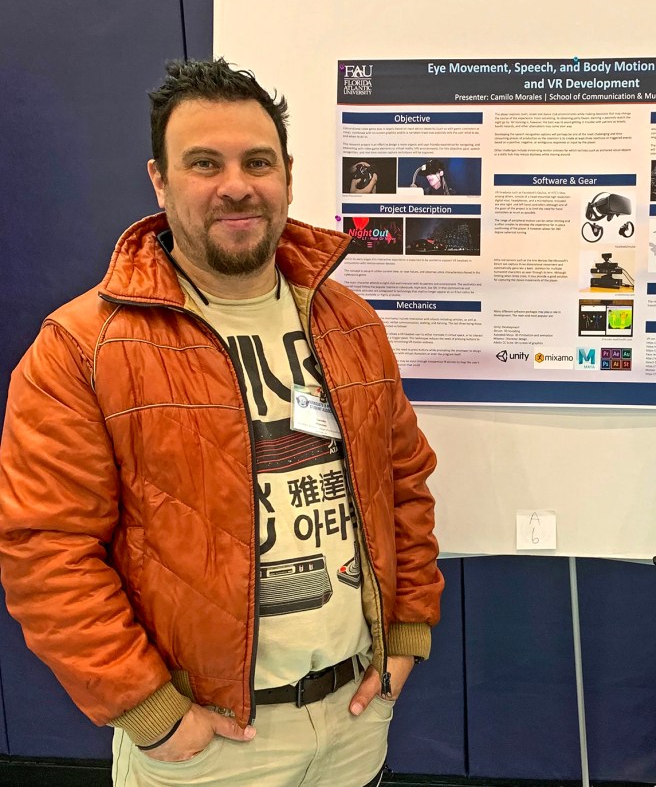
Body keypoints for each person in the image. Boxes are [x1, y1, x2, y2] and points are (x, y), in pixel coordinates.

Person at [0, 58, 443, 787]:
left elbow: (404, 485)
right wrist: (151, 711)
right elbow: (45, 549)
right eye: (204, 163)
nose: (236, 184)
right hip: (210, 745)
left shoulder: (350, 324)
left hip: (354, 716)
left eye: (257, 162)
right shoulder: (81, 346)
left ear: (288, 176)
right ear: (159, 180)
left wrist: (405, 633)